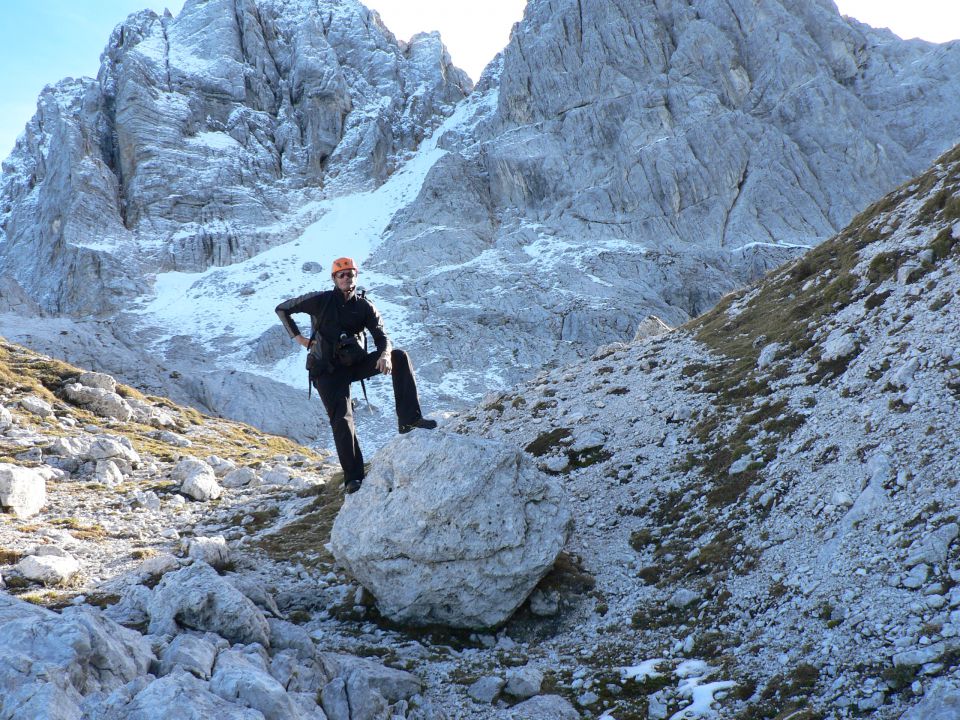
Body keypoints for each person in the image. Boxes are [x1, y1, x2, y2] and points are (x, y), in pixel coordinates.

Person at [275, 257, 437, 493]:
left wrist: (384, 355)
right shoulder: (320, 301)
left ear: (356, 277)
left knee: (399, 357)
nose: (346, 278)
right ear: (334, 278)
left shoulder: (364, 306)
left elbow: (382, 337)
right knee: (342, 419)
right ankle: (353, 477)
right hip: (326, 371)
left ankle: (409, 420)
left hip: (353, 364)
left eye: (350, 274)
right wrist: (299, 339)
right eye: (341, 275)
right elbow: (283, 308)